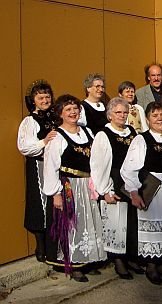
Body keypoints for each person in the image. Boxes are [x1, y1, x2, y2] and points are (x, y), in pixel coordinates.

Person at [43, 94, 106, 282]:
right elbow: (50, 166)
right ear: (61, 113)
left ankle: (86, 258)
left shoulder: (87, 133)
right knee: (72, 224)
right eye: (68, 109)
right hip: (69, 186)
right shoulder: (57, 137)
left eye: (75, 109)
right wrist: (55, 194)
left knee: (88, 223)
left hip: (86, 185)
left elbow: (96, 160)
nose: (73, 112)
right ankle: (73, 262)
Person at [120, 101, 162, 286]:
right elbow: (129, 168)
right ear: (147, 119)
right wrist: (134, 192)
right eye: (155, 115)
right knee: (151, 228)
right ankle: (151, 266)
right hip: (151, 187)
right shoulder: (141, 139)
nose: (160, 118)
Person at [90, 97, 140, 280]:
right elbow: (98, 165)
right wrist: (105, 190)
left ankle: (131, 257)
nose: (122, 116)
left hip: (131, 180)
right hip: (114, 180)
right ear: (110, 115)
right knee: (117, 222)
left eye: (125, 112)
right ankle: (118, 259)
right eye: (118, 112)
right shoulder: (104, 135)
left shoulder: (132, 132)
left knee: (132, 221)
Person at [17, 79, 58, 263]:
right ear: (33, 100)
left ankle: (54, 245)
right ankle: (41, 245)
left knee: (54, 203)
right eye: (40, 97)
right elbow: (25, 147)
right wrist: (44, 142)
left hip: (54, 165)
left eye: (47, 96)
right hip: (38, 165)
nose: (45, 100)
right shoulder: (30, 121)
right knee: (39, 203)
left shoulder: (54, 117)